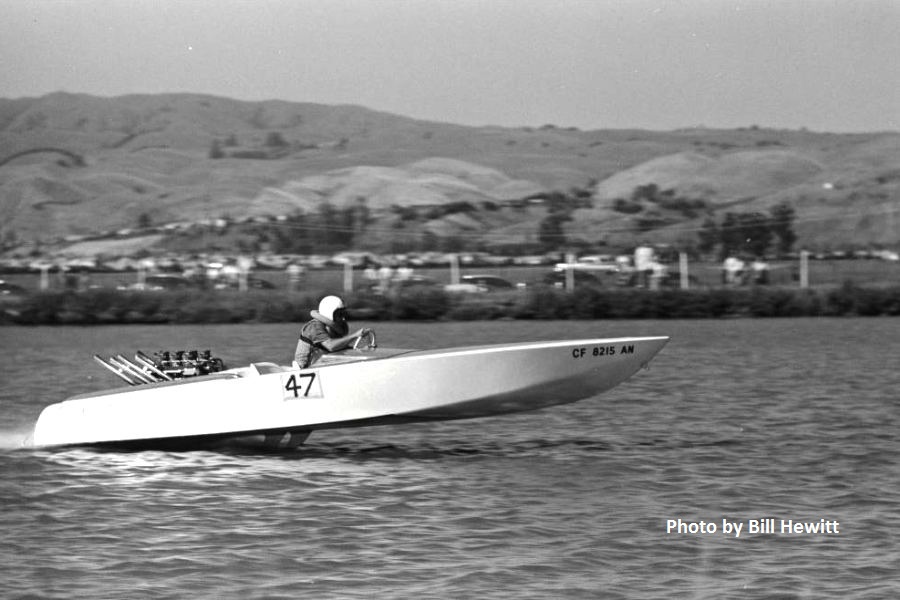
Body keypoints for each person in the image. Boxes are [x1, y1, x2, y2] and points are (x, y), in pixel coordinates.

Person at [293, 295, 373, 368]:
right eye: (339, 315)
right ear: (329, 313)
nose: (343, 318)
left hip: (323, 366)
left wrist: (361, 350)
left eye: (343, 314)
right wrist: (355, 335)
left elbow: (340, 349)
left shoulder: (332, 328)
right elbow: (330, 346)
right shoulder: (314, 327)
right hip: (306, 370)